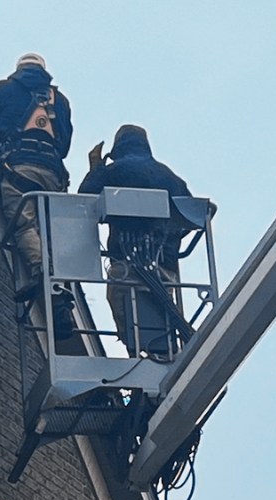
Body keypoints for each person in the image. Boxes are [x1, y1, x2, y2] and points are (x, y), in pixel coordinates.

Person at [0, 53, 75, 338]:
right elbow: (65, 145)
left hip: (19, 167)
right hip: (52, 173)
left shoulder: (5, 88)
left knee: (24, 223)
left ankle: (42, 272)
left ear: (18, 69)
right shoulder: (60, 100)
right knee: (51, 233)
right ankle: (60, 295)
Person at [78, 125, 196, 358]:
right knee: (161, 315)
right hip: (164, 269)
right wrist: (167, 240)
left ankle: (135, 351)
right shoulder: (171, 177)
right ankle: (166, 351)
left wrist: (96, 168)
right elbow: (192, 217)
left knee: (123, 305)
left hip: (125, 266)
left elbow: (84, 199)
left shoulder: (113, 171)